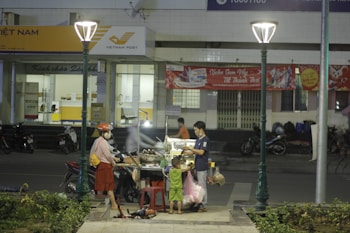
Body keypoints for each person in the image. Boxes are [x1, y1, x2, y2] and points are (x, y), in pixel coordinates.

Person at [90, 123, 120, 210]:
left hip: (100, 166)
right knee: (109, 187)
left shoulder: (97, 141)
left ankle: (100, 205)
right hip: (106, 166)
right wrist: (113, 161)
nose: (109, 133)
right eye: (108, 131)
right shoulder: (103, 142)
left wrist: (114, 157)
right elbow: (107, 155)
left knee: (100, 187)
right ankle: (114, 205)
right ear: (103, 133)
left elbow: (104, 152)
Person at [183, 121, 209, 212]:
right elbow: (194, 152)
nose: (195, 132)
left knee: (202, 185)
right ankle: (199, 202)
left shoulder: (205, 140)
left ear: (201, 129)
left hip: (202, 166)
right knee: (198, 186)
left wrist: (191, 149)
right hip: (197, 165)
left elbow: (201, 152)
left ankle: (204, 205)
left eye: (196, 130)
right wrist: (185, 151)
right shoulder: (198, 140)